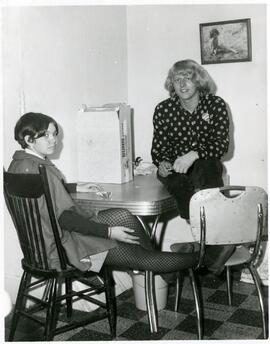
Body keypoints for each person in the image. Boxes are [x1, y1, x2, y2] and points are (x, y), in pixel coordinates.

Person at [7, 112, 199, 275]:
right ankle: (199, 259)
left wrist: (75, 187)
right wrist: (108, 232)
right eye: (46, 135)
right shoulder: (42, 169)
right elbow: (65, 218)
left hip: (41, 246)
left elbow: (45, 197)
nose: (54, 140)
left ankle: (161, 270)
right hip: (62, 247)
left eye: (54, 134)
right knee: (139, 255)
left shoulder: (19, 165)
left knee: (122, 215)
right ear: (29, 140)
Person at [151, 59, 235, 274]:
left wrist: (194, 154)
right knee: (179, 182)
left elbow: (221, 146)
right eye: (177, 80)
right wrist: (162, 163)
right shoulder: (163, 109)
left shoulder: (215, 104)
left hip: (206, 165)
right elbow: (159, 148)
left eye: (188, 78)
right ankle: (215, 248)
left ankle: (201, 252)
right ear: (172, 85)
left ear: (198, 82)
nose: (183, 84)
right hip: (175, 170)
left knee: (206, 167)